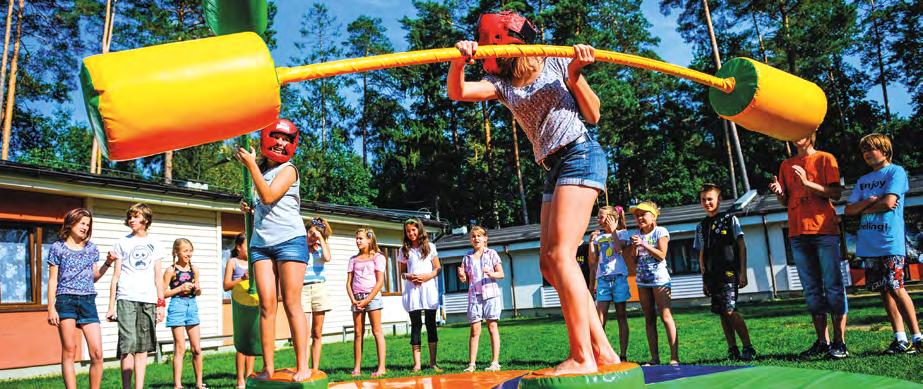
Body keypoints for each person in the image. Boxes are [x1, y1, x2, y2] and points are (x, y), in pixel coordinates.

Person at [448, 11, 618, 375]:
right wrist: (458, 60)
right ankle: (604, 352)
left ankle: (583, 356)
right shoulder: (502, 83)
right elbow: (458, 91)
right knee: (549, 263)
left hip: (580, 153)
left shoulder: (555, 59)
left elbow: (594, 114)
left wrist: (575, 76)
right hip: (552, 168)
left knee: (561, 256)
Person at [236, 118, 312, 381]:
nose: (281, 143)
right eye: (277, 137)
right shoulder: (259, 171)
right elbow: (263, 203)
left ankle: (303, 365)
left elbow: (269, 196)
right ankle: (268, 367)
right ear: (266, 138)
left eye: (287, 140)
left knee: (291, 302)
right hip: (260, 245)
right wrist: (250, 208)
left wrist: (249, 166)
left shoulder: (289, 170)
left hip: (290, 241)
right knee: (267, 306)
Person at [768, 132, 848, 359]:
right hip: (797, 233)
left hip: (824, 231)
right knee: (812, 291)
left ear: (811, 134)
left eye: (801, 132)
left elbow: (836, 194)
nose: (796, 137)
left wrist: (806, 183)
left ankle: (840, 343)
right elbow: (786, 201)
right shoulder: (786, 164)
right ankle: (823, 342)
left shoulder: (825, 158)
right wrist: (780, 193)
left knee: (833, 287)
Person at [844, 133, 922, 354]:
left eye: (871, 149)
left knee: (897, 287)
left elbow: (889, 203)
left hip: (890, 242)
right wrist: (868, 204)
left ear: (885, 150)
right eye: (864, 151)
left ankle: (918, 337)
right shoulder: (862, 181)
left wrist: (865, 205)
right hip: (869, 244)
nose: (867, 154)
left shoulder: (896, 172)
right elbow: (848, 210)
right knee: (883, 291)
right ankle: (900, 339)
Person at [46, 208, 113, 389]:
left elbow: (94, 276)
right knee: (70, 350)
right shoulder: (57, 247)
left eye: (88, 224)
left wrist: (108, 263)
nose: (85, 227)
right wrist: (51, 307)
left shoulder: (91, 248)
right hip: (65, 299)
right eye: (82, 223)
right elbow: (53, 280)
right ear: (71, 222)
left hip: (87, 301)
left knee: (97, 353)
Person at [106, 203, 166, 389]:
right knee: (127, 345)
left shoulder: (155, 244)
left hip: (148, 300)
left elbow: (158, 277)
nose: (131, 219)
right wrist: (110, 306)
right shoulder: (122, 242)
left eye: (136, 216)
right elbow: (115, 276)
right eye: (130, 216)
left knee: (142, 347)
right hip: (126, 298)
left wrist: (161, 303)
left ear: (145, 220)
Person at [695, 184, 755, 361]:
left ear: (719, 200)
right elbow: (701, 253)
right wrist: (704, 279)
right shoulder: (701, 226)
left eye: (710, 199)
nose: (707, 202)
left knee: (730, 310)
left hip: (729, 273)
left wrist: (742, 272)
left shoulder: (731, 219)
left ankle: (748, 347)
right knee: (722, 311)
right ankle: (732, 348)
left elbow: (741, 246)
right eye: (703, 200)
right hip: (712, 275)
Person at [625, 201, 678, 366]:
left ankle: (674, 357)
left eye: (643, 214)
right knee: (649, 318)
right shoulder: (636, 235)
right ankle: (654, 358)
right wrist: (634, 248)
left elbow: (661, 255)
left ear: (653, 216)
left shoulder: (660, 231)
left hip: (659, 280)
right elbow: (633, 261)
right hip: (642, 281)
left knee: (665, 316)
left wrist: (644, 244)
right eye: (637, 215)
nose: (639, 217)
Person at [397, 218, 443, 372]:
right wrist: (409, 276)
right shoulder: (404, 250)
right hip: (413, 290)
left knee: (431, 325)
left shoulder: (430, 247)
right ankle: (417, 364)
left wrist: (427, 276)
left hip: (428, 289)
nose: (411, 233)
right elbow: (402, 272)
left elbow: (437, 268)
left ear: (419, 230)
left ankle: (433, 363)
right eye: (408, 231)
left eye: (414, 230)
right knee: (416, 326)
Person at [457, 226, 504, 372]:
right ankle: (472, 364)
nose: (476, 238)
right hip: (474, 296)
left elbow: (501, 274)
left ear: (485, 238)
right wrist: (461, 276)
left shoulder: (492, 254)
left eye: (479, 236)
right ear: (471, 240)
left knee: (492, 327)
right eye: (473, 236)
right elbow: (465, 280)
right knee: (474, 330)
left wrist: (490, 273)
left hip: (490, 295)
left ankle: (495, 362)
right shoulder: (467, 257)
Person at [588, 206, 631, 361]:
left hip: (619, 278)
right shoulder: (598, 237)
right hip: (603, 280)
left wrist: (613, 231)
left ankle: (623, 354)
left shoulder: (622, 233)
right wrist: (591, 243)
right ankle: (599, 354)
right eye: (598, 217)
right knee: (600, 318)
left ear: (612, 218)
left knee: (621, 315)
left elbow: (619, 250)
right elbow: (592, 261)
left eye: (601, 217)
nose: (598, 220)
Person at [346, 228, 387, 377]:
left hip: (372, 297)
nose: (357, 241)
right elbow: (348, 283)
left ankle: (381, 367)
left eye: (360, 238)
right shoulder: (353, 260)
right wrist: (354, 300)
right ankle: (357, 368)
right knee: (358, 333)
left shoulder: (378, 257)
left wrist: (367, 300)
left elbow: (380, 281)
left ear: (369, 240)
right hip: (357, 298)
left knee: (377, 331)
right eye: (356, 238)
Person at [163, 238, 204, 389]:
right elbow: (162, 293)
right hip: (177, 306)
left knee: (197, 349)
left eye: (190, 250)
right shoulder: (171, 270)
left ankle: (199, 383)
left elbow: (199, 292)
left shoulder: (195, 269)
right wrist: (180, 289)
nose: (189, 254)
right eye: (185, 251)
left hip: (192, 306)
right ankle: (177, 385)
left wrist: (197, 289)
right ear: (176, 252)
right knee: (180, 348)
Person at [222, 233, 254, 389]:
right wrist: (242, 279)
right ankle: (240, 380)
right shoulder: (233, 262)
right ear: (239, 247)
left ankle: (250, 377)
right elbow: (226, 285)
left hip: (254, 303)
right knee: (242, 342)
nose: (250, 248)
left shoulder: (255, 263)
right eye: (247, 245)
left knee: (253, 339)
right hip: (239, 304)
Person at [302, 217, 333, 373]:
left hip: (319, 288)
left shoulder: (322, 248)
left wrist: (320, 238)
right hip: (302, 290)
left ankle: (315, 368)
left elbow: (327, 258)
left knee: (317, 332)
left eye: (315, 234)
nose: (312, 236)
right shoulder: (300, 246)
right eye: (311, 233)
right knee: (305, 332)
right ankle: (304, 367)